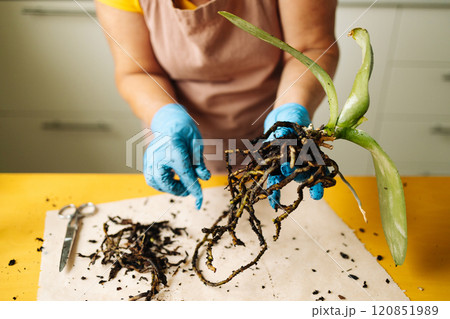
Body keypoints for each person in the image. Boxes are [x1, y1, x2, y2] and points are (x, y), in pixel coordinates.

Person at [95, 0, 339, 209]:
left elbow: (311, 47)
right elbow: (137, 71)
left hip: (272, 139)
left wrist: (289, 112)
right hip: (180, 144)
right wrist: (165, 117)